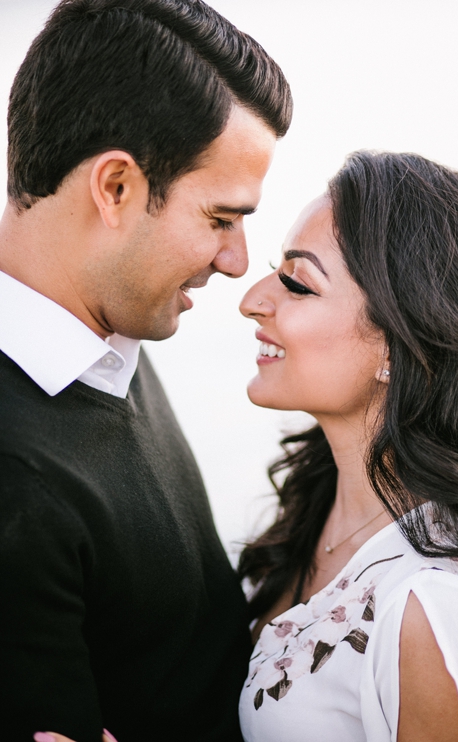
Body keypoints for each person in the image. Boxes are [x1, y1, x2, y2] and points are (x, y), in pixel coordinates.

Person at [0, 1, 292, 740]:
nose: (236, 262)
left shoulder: (103, 338)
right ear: (117, 188)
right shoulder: (14, 472)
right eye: (221, 219)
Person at [235, 151, 458, 742]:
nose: (252, 298)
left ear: (395, 347)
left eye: (297, 282)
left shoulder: (432, 608)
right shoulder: (312, 503)